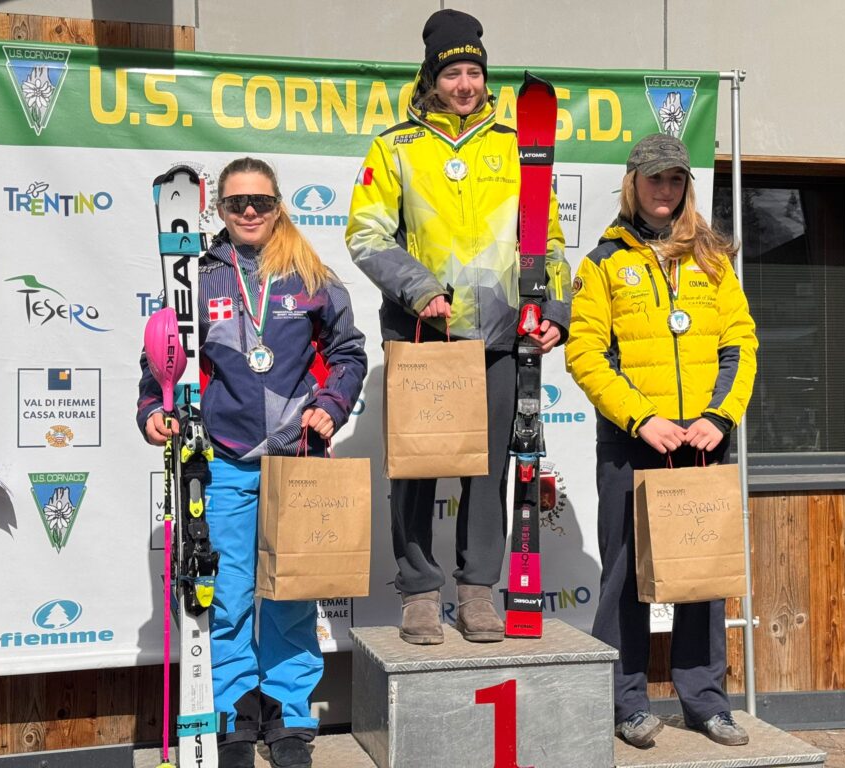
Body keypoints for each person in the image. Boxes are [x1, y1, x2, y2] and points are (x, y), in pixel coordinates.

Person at [346, 8, 571, 645]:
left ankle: (477, 592)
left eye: (474, 72)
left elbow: (548, 240)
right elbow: (365, 234)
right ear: (432, 77)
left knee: (489, 469)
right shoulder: (396, 146)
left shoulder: (516, 145)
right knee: (417, 467)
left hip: (500, 335)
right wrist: (419, 290)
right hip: (424, 334)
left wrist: (554, 311)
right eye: (452, 74)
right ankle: (419, 591)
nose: (465, 85)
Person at [138, 157, 367, 768]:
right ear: (218, 208)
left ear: (277, 205)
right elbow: (161, 357)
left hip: (295, 460)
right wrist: (153, 409)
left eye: (260, 202)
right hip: (224, 458)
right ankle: (235, 711)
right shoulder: (198, 275)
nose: (248, 211)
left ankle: (288, 713)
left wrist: (332, 405)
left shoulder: (310, 274)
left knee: (291, 596)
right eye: (236, 202)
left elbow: (349, 352)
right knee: (228, 596)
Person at [565, 133, 758, 747]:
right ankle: (625, 703)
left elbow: (740, 345)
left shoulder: (714, 260)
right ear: (633, 183)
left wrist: (719, 418)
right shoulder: (603, 263)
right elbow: (585, 353)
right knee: (625, 576)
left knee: (701, 577)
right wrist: (642, 419)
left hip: (702, 440)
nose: (665, 190)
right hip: (633, 441)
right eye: (655, 179)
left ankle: (706, 703)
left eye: (676, 179)